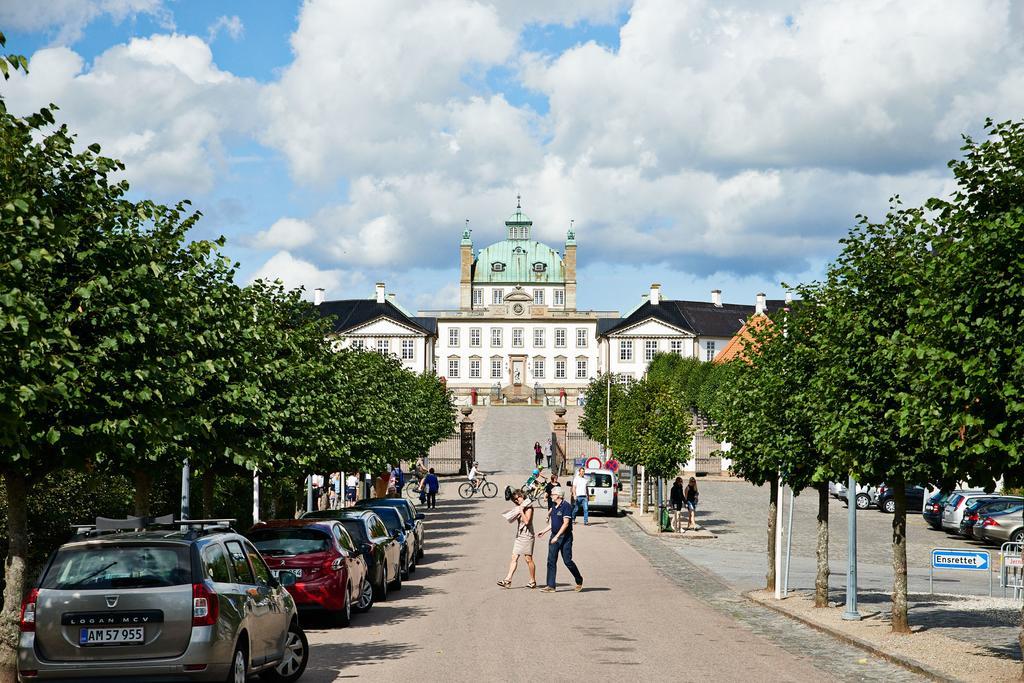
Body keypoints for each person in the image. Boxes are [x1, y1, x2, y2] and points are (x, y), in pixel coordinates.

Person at [536, 486, 583, 592]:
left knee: (567, 561)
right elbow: (554, 523)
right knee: (551, 560)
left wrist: (557, 537)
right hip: (554, 535)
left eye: (552, 494)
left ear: (558, 495)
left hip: (565, 537)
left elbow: (566, 524)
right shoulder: (554, 505)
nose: (551, 496)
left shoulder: (566, 506)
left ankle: (579, 580)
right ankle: (551, 586)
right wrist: (544, 531)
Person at [497, 489, 537, 589]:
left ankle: (532, 581)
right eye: (514, 499)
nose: (516, 501)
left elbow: (527, 521)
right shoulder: (520, 506)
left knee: (528, 559)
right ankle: (508, 580)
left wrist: (521, 511)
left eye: (517, 498)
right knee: (514, 557)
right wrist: (511, 496)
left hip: (528, 535)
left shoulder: (529, 508)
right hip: (519, 535)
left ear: (521, 496)